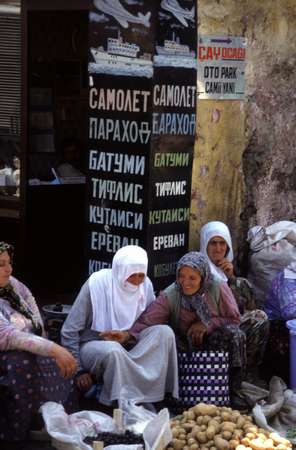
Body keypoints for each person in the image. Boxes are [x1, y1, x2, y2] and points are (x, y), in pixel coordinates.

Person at [61, 245, 179, 407]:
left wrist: (128, 335)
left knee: (164, 332)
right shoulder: (96, 285)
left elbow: (148, 321)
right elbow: (69, 331)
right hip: (94, 346)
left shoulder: (146, 285)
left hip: (130, 342)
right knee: (113, 350)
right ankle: (121, 402)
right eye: (132, 276)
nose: (137, 281)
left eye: (141, 276)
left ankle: (155, 396)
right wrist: (79, 370)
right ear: (120, 271)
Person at [129, 252, 246, 394]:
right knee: (164, 335)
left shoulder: (217, 287)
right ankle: (178, 390)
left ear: (203, 278)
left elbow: (234, 319)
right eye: (181, 276)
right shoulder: (172, 293)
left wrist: (207, 324)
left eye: (192, 278)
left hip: (217, 347)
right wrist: (127, 336)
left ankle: (233, 389)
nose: (185, 283)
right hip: (187, 347)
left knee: (235, 334)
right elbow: (147, 322)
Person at [0, 242, 77, 447]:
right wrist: (51, 349)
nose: (9, 269)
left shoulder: (14, 286)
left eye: (9, 263)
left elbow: (35, 315)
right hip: (6, 352)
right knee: (22, 362)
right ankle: (17, 429)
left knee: (53, 358)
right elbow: (7, 336)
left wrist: (46, 345)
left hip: (24, 345)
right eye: (1, 264)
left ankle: (50, 421)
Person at [199, 221, 270, 381]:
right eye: (213, 243)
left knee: (259, 317)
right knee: (239, 329)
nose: (218, 249)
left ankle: (248, 375)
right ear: (205, 245)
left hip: (230, 323)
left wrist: (231, 278)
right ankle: (233, 383)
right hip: (210, 330)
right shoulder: (199, 271)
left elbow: (246, 307)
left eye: (222, 243)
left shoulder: (226, 272)